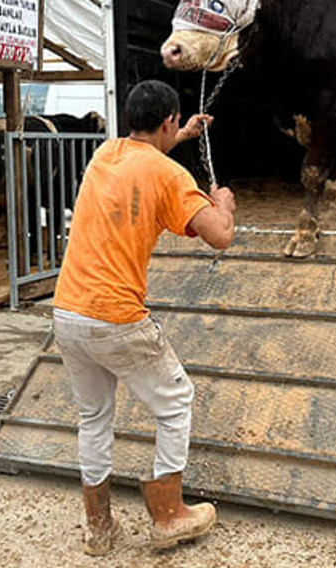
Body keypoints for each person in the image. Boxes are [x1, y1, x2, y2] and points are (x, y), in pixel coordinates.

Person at [52, 80, 236, 555]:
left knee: (93, 417)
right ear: (169, 120)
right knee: (175, 402)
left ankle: (98, 528)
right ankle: (170, 514)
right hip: (116, 317)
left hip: (68, 310)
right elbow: (219, 236)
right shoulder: (171, 176)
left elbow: (147, 154)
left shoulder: (107, 154)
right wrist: (224, 205)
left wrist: (185, 133)